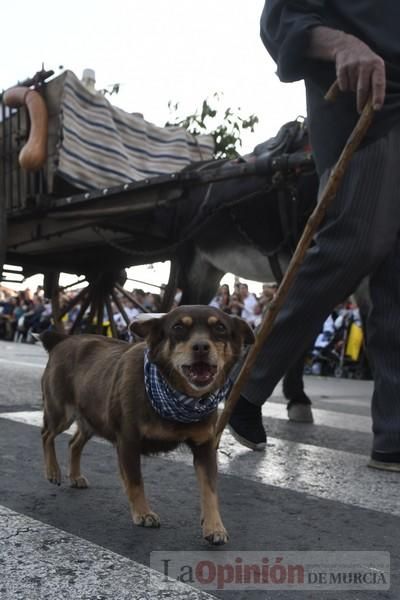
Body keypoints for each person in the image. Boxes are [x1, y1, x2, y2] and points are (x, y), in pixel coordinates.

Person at [229, 0, 400, 472]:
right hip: (367, 102)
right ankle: (245, 383)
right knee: (352, 244)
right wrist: (342, 43)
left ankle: (394, 433)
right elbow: (281, 17)